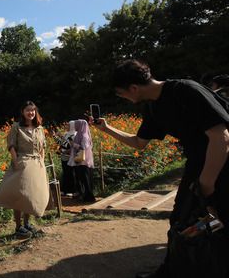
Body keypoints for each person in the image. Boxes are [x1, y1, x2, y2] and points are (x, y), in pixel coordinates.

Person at [91, 59, 229, 278]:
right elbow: (139, 142)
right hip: (198, 163)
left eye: (122, 94)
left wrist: (207, 182)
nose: (124, 98)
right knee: (181, 220)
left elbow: (221, 137)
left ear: (133, 88)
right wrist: (106, 129)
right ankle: (172, 270)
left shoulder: (185, 90)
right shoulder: (153, 107)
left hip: (222, 159)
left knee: (220, 219)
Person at [0, 100, 50, 238]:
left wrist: (42, 162)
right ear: (22, 112)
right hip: (22, 163)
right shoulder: (16, 127)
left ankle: (27, 223)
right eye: (28, 110)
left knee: (31, 196)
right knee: (20, 195)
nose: (30, 113)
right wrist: (16, 162)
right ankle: (18, 226)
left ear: (35, 111)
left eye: (33, 110)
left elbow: (42, 147)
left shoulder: (40, 128)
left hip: (37, 165)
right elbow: (11, 146)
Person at [67, 119, 96, 202]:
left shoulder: (84, 135)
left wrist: (73, 144)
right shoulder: (81, 134)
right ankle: (85, 196)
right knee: (83, 179)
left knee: (85, 179)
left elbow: (83, 147)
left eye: (77, 124)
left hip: (83, 161)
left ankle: (88, 197)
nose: (75, 126)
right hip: (82, 161)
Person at [58, 121, 76, 196]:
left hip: (70, 157)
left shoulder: (75, 134)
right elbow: (61, 143)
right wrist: (57, 137)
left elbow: (73, 147)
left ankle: (72, 191)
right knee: (65, 173)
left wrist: (65, 152)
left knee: (71, 173)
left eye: (68, 125)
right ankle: (64, 190)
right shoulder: (66, 134)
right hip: (64, 157)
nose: (66, 126)